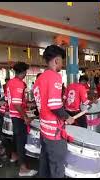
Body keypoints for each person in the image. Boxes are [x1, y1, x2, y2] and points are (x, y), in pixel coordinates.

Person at [33, 45, 75, 178]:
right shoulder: (54, 76)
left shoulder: (39, 79)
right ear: (56, 60)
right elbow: (54, 105)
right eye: (62, 61)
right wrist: (67, 117)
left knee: (45, 162)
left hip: (44, 129)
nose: (62, 64)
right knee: (57, 167)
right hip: (54, 132)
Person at [7, 62, 37, 177]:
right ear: (24, 72)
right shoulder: (19, 83)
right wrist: (25, 117)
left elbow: (16, 101)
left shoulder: (10, 82)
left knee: (16, 139)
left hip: (13, 115)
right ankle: (23, 169)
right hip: (18, 116)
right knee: (21, 142)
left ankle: (15, 157)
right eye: (26, 72)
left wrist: (28, 104)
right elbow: (16, 104)